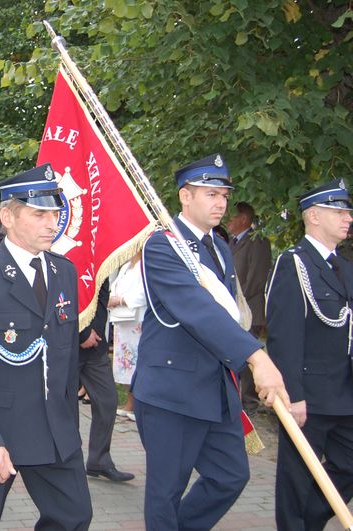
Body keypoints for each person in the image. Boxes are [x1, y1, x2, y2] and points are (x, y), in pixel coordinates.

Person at [133, 153, 289, 529]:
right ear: (185, 196)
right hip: (172, 391)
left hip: (214, 388)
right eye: (210, 193)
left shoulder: (219, 247)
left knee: (230, 476)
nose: (220, 202)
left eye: (224, 194)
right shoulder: (162, 244)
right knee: (166, 492)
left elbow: (228, 313)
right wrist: (257, 357)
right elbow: (198, 310)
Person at [0, 163, 92, 530]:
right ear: (8, 216)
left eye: (55, 213)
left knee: (74, 517)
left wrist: (69, 427)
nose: (51, 223)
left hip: (54, 430)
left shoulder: (63, 271)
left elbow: (65, 356)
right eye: (39, 213)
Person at [267, 179, 353, 530]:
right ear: (314, 216)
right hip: (309, 394)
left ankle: (311, 520)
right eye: (339, 211)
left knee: (347, 465)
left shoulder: (345, 266)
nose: (348, 218)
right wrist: (293, 395)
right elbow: (284, 335)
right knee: (296, 476)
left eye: (348, 211)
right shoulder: (294, 263)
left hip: (345, 392)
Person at [78, 280, 135, 481]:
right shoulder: (71, 252)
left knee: (107, 400)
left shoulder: (100, 256)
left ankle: (99, 461)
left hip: (96, 347)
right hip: (69, 345)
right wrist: (82, 333)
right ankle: (68, 464)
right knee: (63, 407)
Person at [227, 201, 272, 412]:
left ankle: (250, 402)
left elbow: (256, 278)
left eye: (231, 217)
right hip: (232, 309)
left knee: (251, 357)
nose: (228, 221)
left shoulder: (257, 241)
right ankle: (238, 399)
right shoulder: (231, 242)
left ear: (243, 219)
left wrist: (237, 302)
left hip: (250, 309)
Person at [108, 252, 145, 420]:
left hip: (135, 319)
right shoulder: (125, 267)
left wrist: (121, 300)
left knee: (135, 361)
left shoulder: (144, 265)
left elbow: (143, 293)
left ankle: (136, 403)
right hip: (121, 320)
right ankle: (130, 401)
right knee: (125, 363)